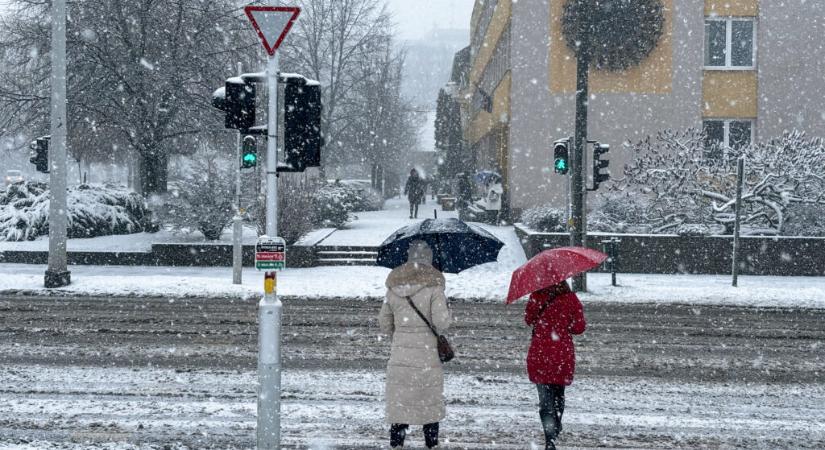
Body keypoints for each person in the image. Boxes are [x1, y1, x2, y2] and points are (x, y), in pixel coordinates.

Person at [379, 240, 452, 449]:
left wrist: (401, 333)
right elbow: (441, 323)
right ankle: (431, 444)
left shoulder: (393, 289)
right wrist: (447, 308)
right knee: (428, 403)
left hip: (400, 357)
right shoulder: (434, 288)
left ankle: (397, 444)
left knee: (401, 404)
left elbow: (384, 324)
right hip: (427, 357)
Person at [524, 281, 586, 450]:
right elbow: (579, 327)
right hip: (562, 355)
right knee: (559, 395)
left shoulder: (537, 296)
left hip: (540, 354)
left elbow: (528, 319)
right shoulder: (570, 298)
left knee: (545, 401)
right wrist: (564, 324)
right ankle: (556, 424)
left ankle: (549, 438)